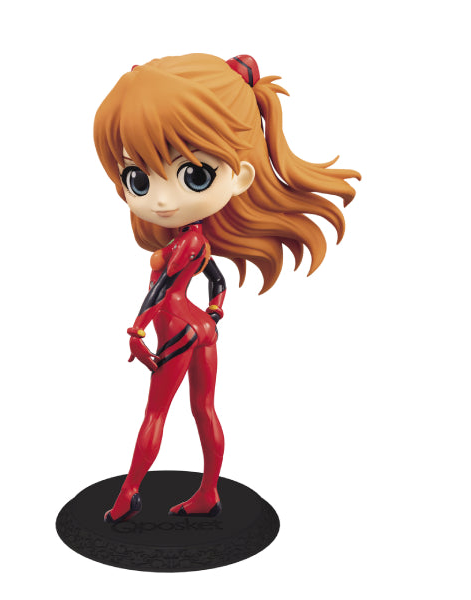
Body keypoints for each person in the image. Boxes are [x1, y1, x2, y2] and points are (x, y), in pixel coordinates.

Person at [93, 53, 360, 523]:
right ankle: (208, 493)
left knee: (156, 414)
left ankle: (129, 494)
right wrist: (214, 312)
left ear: (240, 176)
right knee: (203, 410)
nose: (161, 199)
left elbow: (162, 292)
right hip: (199, 327)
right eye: (137, 177)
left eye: (193, 175)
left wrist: (137, 328)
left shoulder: (184, 243)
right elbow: (214, 277)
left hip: (176, 326)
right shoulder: (196, 239)